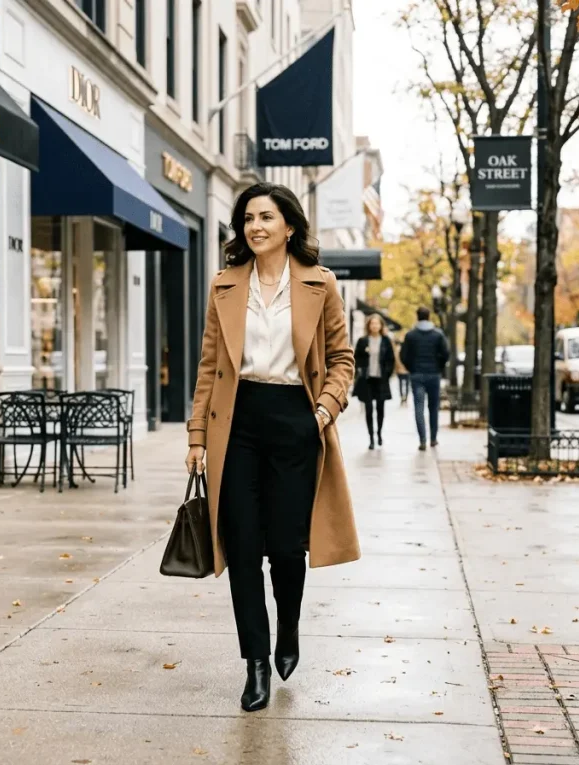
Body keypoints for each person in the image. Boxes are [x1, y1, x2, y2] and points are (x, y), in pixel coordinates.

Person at [184, 182, 360, 713]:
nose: (255, 226)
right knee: (242, 549)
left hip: (295, 421)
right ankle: (255, 663)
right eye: (248, 218)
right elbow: (210, 367)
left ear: (289, 226)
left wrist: (322, 412)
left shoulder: (320, 284)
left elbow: (342, 359)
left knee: (285, 548)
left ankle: (289, 626)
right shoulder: (224, 285)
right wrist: (197, 437)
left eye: (265, 217)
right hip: (236, 422)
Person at [400, 307, 450, 450]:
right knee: (434, 408)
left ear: (417, 317)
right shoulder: (438, 335)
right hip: (434, 375)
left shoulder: (410, 335)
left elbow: (404, 355)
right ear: (429, 317)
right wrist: (439, 367)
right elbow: (446, 354)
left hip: (417, 375)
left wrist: (411, 368)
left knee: (419, 407)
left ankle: (422, 440)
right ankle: (433, 438)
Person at [353, 314, 395, 450]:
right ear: (369, 325)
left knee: (380, 409)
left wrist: (387, 373)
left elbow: (391, 359)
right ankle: (371, 438)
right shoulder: (363, 341)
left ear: (381, 326)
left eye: (377, 323)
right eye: (372, 323)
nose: (375, 326)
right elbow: (356, 358)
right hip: (367, 379)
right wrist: (360, 369)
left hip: (381, 379)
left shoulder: (386, 341)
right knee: (369, 409)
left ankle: (379, 433)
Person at [395, 335, 410, 406]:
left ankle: (403, 398)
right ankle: (404, 398)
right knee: (405, 384)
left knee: (403, 384)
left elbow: (396, 359)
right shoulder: (405, 348)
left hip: (403, 369)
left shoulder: (398, 348)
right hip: (404, 369)